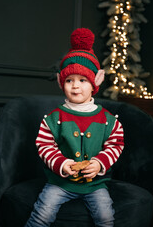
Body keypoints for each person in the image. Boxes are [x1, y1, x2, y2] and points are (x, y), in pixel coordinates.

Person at [25, 28, 124, 227]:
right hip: (60, 183)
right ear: (62, 83)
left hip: (95, 184)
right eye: (69, 80)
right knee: (42, 214)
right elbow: (45, 145)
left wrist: (100, 163)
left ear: (95, 83)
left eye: (82, 80)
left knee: (106, 217)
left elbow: (116, 144)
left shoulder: (107, 119)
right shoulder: (54, 118)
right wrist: (61, 163)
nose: (75, 86)